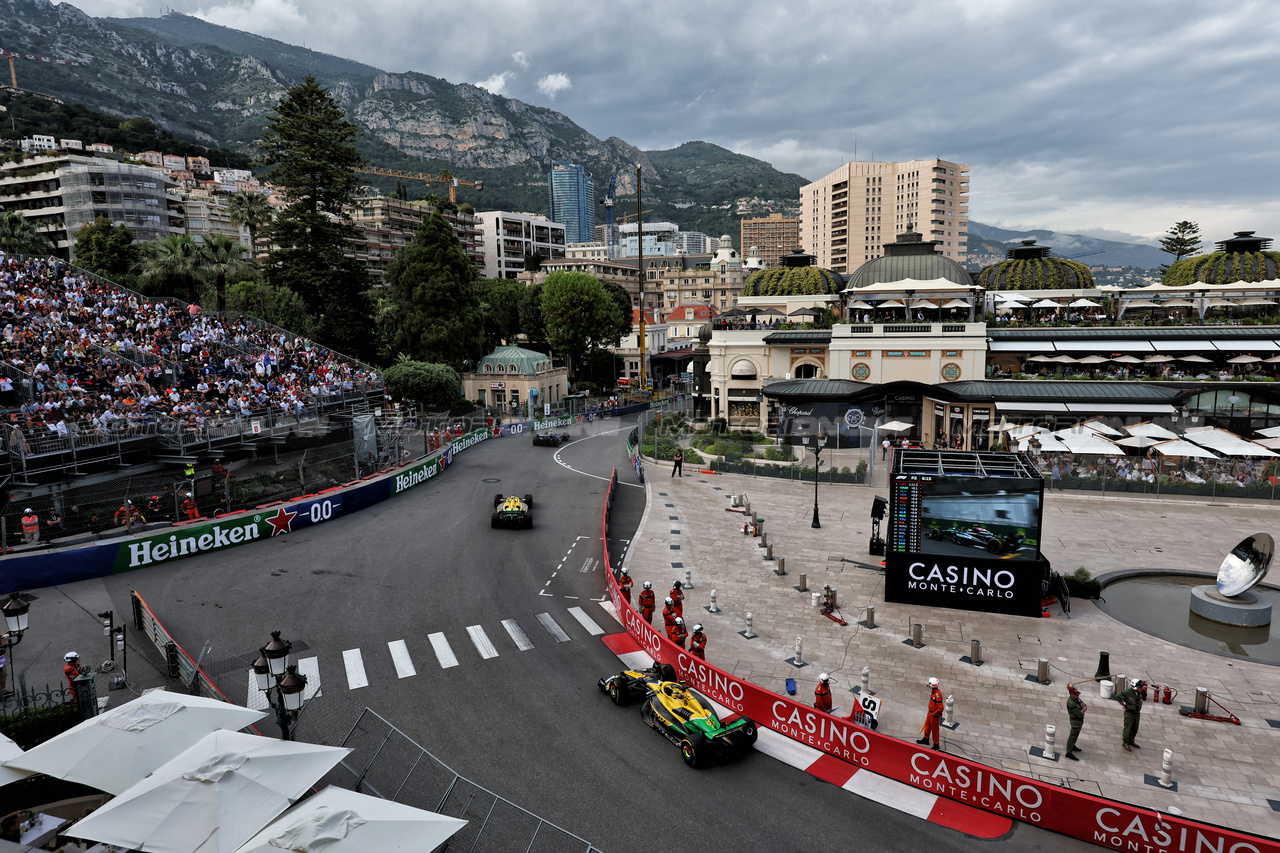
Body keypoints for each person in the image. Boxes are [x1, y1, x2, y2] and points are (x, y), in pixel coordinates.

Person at [1116, 679, 1145, 752]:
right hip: (1129, 713)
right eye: (1140, 687)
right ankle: (1125, 742)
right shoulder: (1128, 692)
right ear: (1136, 687)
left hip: (1137, 713)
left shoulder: (1139, 693)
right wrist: (1124, 706)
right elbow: (1117, 697)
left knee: (1135, 727)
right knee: (1128, 728)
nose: (1142, 688)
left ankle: (1131, 740)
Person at [916, 677, 944, 750]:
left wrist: (934, 713)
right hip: (930, 712)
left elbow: (941, 707)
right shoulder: (934, 692)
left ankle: (936, 744)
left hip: (934, 715)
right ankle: (926, 738)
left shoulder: (938, 694)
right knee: (927, 726)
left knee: (935, 729)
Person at [1065, 684, 1087, 760]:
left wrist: (1083, 709)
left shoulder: (1076, 699)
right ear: (1071, 694)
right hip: (1075, 722)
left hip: (1079, 722)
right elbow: (1080, 714)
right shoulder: (1071, 703)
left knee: (1076, 735)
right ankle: (1069, 752)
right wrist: (1083, 710)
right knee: (1073, 736)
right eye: (1076, 695)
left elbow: (1084, 705)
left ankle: (1072, 746)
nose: (1078, 696)